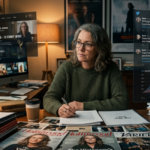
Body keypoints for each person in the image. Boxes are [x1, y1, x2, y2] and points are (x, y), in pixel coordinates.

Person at [43, 23, 128, 117]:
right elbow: (49, 98)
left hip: (103, 122)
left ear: (100, 48)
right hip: (73, 120)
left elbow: (122, 101)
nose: (81, 49)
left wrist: (83, 106)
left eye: (88, 44)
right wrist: (58, 108)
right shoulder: (66, 68)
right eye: (78, 42)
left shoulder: (111, 68)